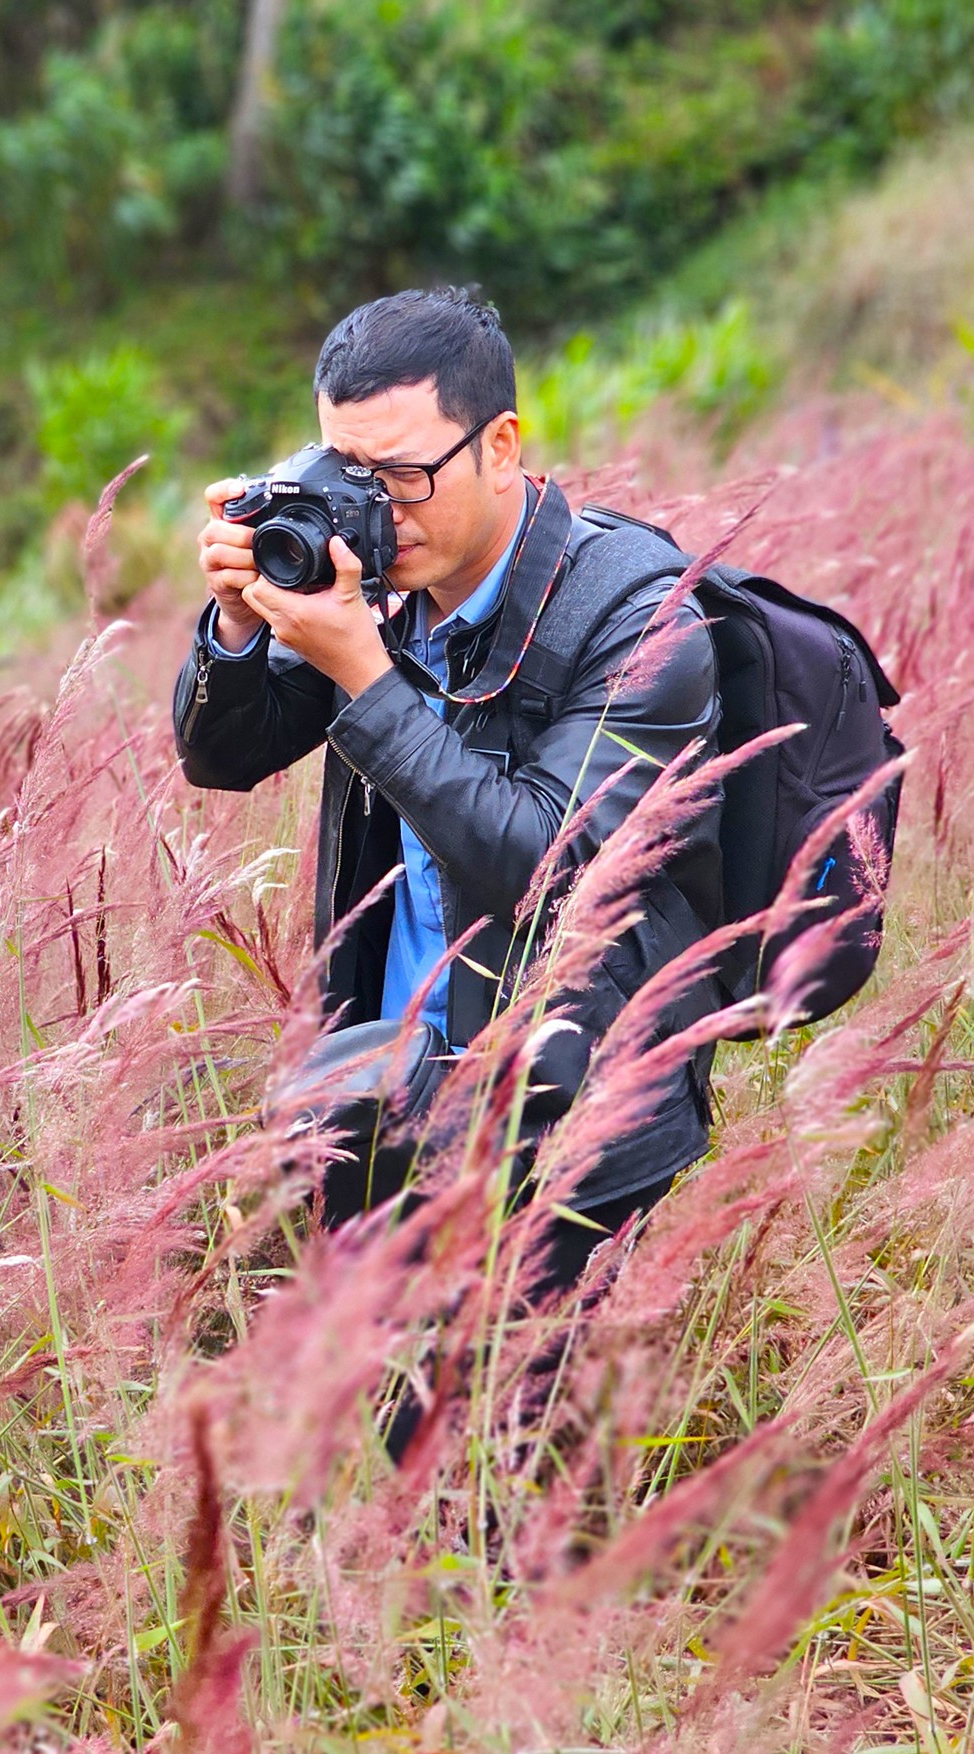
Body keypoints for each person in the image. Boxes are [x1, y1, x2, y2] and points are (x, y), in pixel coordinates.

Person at [171, 285, 722, 1299]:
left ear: (500, 444)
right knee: (393, 1426)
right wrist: (239, 625)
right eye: (350, 475)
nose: (378, 510)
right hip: (386, 1088)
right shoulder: (378, 584)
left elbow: (548, 869)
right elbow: (222, 756)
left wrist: (363, 676)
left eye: (405, 475)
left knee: (533, 1442)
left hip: (572, 1120)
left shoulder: (640, 617)